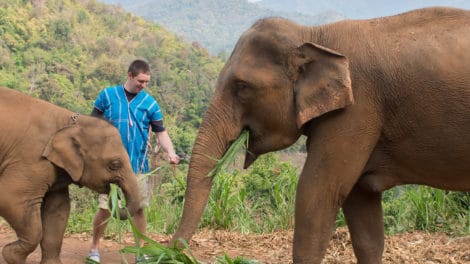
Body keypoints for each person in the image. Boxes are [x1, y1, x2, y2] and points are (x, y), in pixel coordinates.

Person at [87, 59, 179, 263]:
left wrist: (170, 152)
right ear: (129, 75)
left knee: (138, 209)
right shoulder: (108, 95)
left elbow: (161, 133)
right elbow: (92, 123)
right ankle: (94, 248)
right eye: (140, 81)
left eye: (147, 82)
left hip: (137, 167)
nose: (143, 85)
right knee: (105, 209)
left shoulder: (150, 103)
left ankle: (140, 251)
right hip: (109, 167)